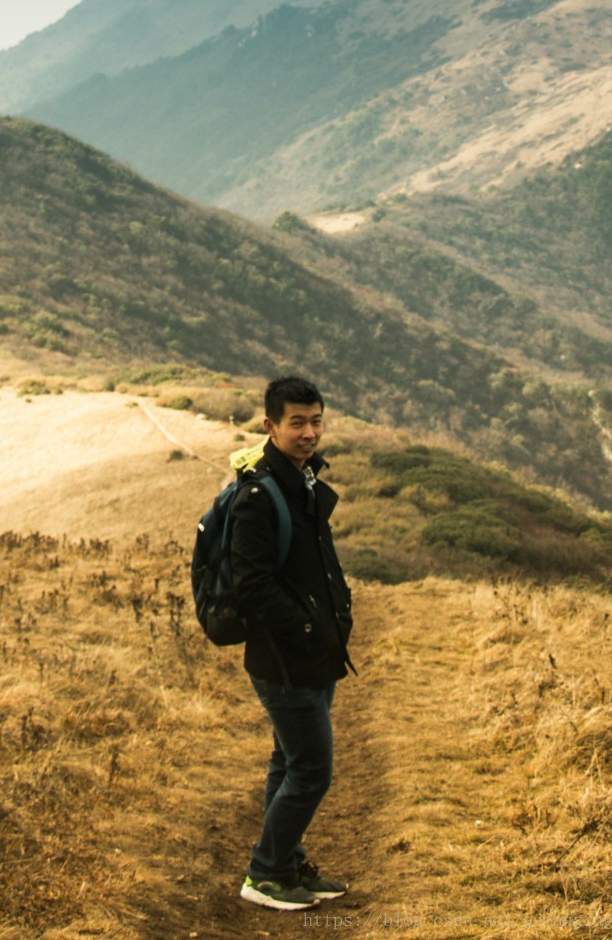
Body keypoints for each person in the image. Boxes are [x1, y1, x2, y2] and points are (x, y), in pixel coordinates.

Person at [230, 374, 354, 912]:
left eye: (316, 421)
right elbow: (250, 584)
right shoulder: (259, 495)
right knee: (312, 769)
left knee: (288, 760)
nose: (309, 433)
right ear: (270, 427)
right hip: (286, 658)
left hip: (313, 653)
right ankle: (265, 873)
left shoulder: (301, 479)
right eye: (297, 423)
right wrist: (305, 629)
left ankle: (285, 862)